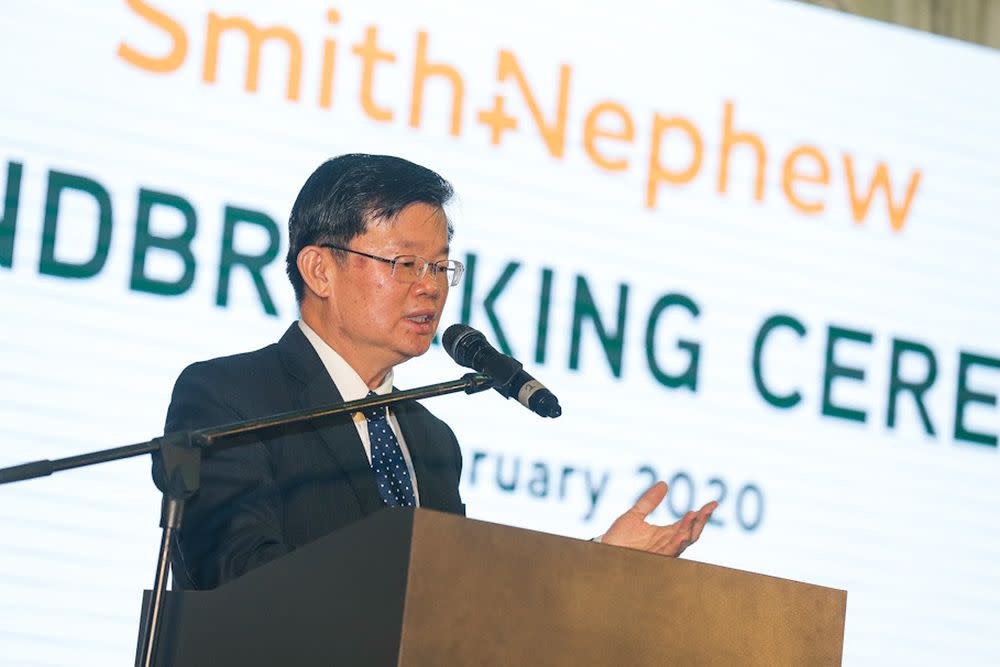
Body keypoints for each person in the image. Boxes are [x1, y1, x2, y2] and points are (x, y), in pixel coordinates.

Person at [163, 154, 716, 590]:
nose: (430, 286)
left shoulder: (431, 441)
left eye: (441, 266)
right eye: (405, 264)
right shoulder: (229, 399)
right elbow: (243, 579)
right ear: (319, 269)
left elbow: (458, 600)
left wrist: (596, 564)